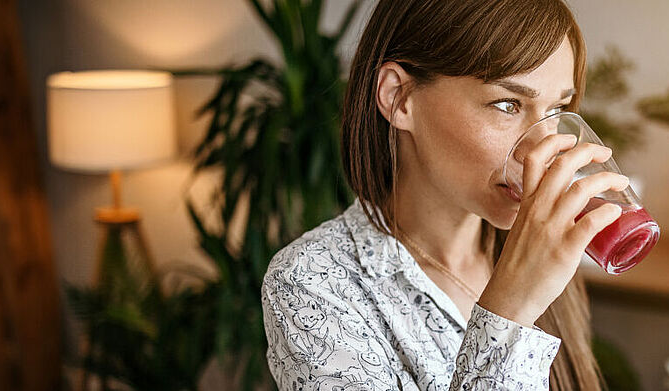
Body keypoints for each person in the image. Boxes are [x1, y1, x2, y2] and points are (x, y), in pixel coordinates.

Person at [261, 0, 629, 390]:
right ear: (399, 97)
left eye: (557, 109)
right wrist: (511, 311)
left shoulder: (541, 248)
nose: (542, 150)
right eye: (507, 105)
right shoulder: (313, 285)